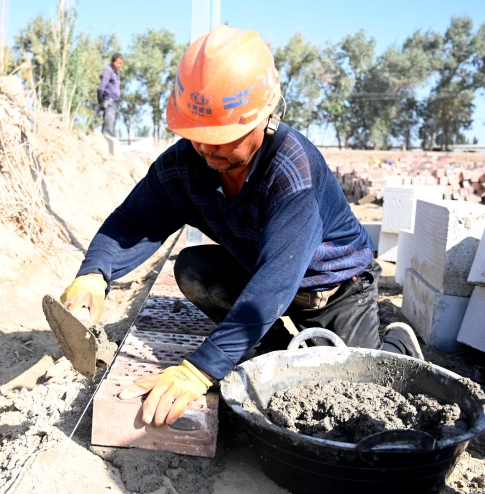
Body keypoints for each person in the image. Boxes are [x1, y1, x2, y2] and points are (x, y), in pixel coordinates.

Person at [61, 25, 423, 428]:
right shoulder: (187, 163)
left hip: (331, 289)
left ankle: (397, 346)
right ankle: (279, 354)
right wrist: (95, 274)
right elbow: (133, 220)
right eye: (197, 134)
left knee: (351, 397)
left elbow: (274, 284)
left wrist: (199, 370)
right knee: (195, 270)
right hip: (259, 275)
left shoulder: (292, 171)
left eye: (222, 136)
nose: (206, 147)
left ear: (266, 117)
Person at [97, 53, 123, 137]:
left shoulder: (116, 73)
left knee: (112, 125)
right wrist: (101, 101)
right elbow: (101, 88)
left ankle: (111, 141)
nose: (120, 66)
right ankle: (106, 140)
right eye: (118, 63)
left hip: (115, 102)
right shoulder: (108, 71)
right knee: (108, 125)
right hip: (109, 101)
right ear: (112, 61)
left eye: (121, 64)